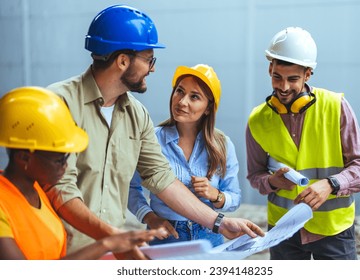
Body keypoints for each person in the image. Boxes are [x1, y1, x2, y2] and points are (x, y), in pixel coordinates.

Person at [44, 4, 264, 258]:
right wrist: (114, 239)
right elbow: (61, 188)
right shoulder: (58, 104)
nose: (153, 68)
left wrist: (220, 223)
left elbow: (162, 179)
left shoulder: (137, 116)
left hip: (110, 255)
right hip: (63, 251)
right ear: (123, 61)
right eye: (149, 59)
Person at [246, 27, 360, 260]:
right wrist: (271, 182)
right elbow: (255, 175)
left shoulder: (336, 107)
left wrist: (330, 184)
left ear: (308, 74)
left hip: (333, 231)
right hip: (283, 232)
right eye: (277, 77)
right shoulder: (257, 119)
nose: (283, 87)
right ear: (269, 69)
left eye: (292, 79)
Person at [0, 86, 165, 260]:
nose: (65, 166)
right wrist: (106, 244)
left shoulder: (37, 192)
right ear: (24, 158)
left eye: (67, 157)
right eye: (59, 160)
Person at [128, 64, 241, 247]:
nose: (182, 102)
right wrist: (150, 218)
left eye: (194, 97)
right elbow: (131, 188)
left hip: (209, 235)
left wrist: (215, 195)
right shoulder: (151, 139)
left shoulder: (223, 145)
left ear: (207, 108)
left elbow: (234, 198)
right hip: (165, 236)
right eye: (179, 91)